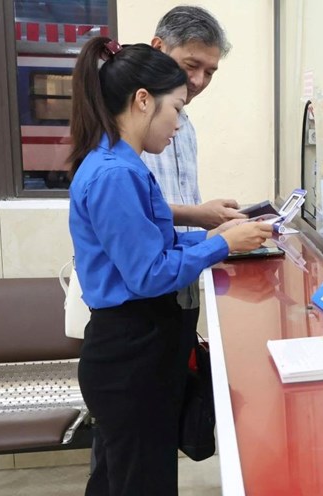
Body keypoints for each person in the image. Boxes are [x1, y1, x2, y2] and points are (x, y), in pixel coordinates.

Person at [68, 37, 272, 496]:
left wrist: (217, 236)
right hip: (129, 353)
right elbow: (148, 273)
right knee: (141, 480)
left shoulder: (124, 164)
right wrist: (220, 247)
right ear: (143, 101)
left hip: (141, 348)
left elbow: (153, 242)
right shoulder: (114, 174)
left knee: (122, 476)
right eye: (176, 109)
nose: (179, 124)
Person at [142, 6, 244, 369]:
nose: (199, 80)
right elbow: (132, 212)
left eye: (210, 72)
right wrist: (207, 226)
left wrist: (217, 232)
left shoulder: (183, 121)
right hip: (146, 299)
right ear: (158, 48)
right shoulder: (122, 133)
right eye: (191, 65)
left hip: (182, 283)